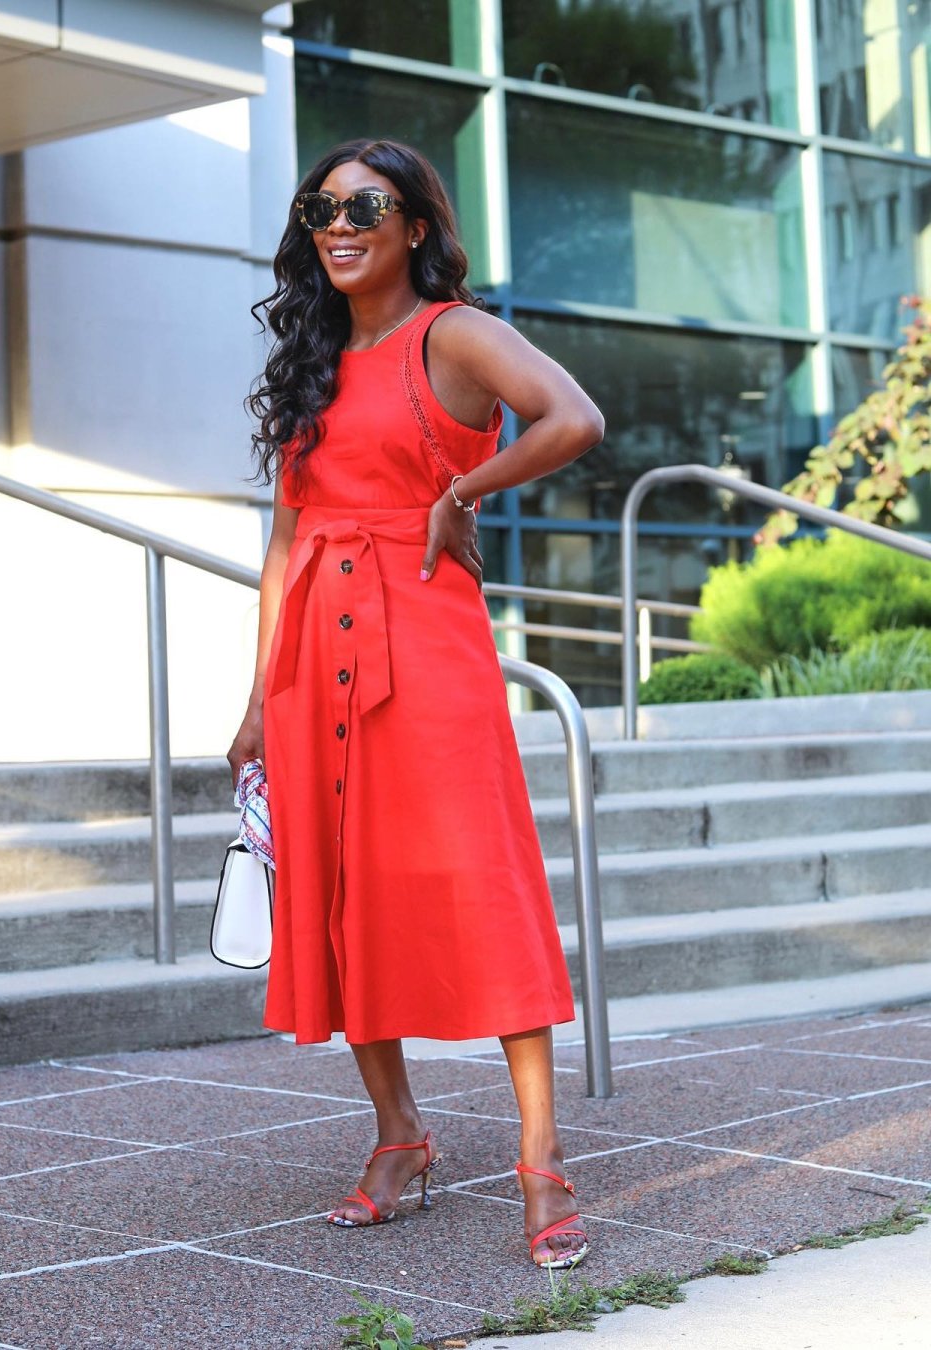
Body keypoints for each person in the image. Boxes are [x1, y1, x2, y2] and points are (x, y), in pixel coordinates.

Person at [227, 138, 604, 1271]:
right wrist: (255, 697)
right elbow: (289, 537)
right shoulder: (314, 362)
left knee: (480, 883)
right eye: (322, 207)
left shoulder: (454, 334)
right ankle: (400, 1135)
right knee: (341, 894)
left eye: (366, 205)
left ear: (416, 227)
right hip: (312, 660)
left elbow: (572, 417)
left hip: (426, 648)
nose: (340, 224)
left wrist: (464, 488)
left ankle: (542, 1157)